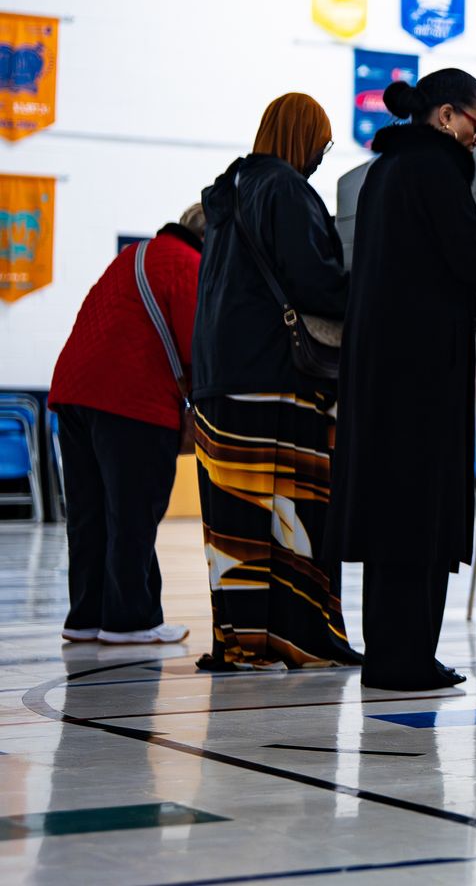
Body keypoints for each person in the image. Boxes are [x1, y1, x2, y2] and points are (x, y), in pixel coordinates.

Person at [327, 69, 476, 692]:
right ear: (445, 116)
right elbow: (473, 262)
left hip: (378, 369)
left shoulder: (385, 172)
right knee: (421, 513)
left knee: (389, 518)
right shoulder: (435, 170)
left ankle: (389, 655)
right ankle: (409, 661)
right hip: (421, 371)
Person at [192, 92, 360, 671]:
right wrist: (366, 290)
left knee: (234, 519)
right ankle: (298, 637)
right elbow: (314, 281)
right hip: (276, 378)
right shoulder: (285, 189)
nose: (320, 155)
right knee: (294, 508)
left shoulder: (225, 194)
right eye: (321, 142)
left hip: (218, 380)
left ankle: (241, 643)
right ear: (302, 136)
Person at [48, 205, 205, 645]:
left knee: (88, 512)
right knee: (133, 512)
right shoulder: (189, 265)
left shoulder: (134, 255)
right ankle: (130, 621)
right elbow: (196, 346)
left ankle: (85, 617)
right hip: (132, 401)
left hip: (73, 390)